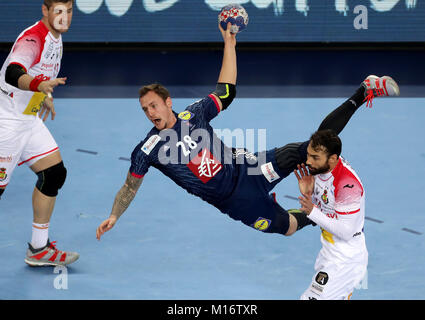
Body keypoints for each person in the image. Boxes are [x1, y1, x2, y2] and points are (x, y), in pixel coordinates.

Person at [96, 22, 399, 242]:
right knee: (288, 228)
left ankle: (363, 91)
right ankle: (318, 210)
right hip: (236, 202)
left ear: (167, 102)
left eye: (154, 106)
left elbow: (225, 91)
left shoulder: (194, 114)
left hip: (250, 169)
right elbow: (129, 188)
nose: (150, 113)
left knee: (309, 149)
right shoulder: (148, 149)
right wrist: (114, 215)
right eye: (145, 110)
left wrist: (229, 43)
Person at [0, 0, 79, 266]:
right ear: (45, 10)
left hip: (27, 117)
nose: (64, 17)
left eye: (69, 11)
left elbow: (38, 76)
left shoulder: (56, 38)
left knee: (54, 173)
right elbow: (13, 72)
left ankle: (38, 248)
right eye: (59, 10)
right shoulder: (34, 38)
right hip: (6, 122)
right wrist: (38, 84)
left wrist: (41, 94)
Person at [295, 130, 368, 300]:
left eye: (315, 157)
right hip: (329, 250)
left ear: (333, 159)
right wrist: (310, 193)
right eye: (308, 155)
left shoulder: (347, 185)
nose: (308, 161)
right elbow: (327, 205)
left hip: (345, 259)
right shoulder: (322, 169)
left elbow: (346, 232)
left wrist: (311, 210)